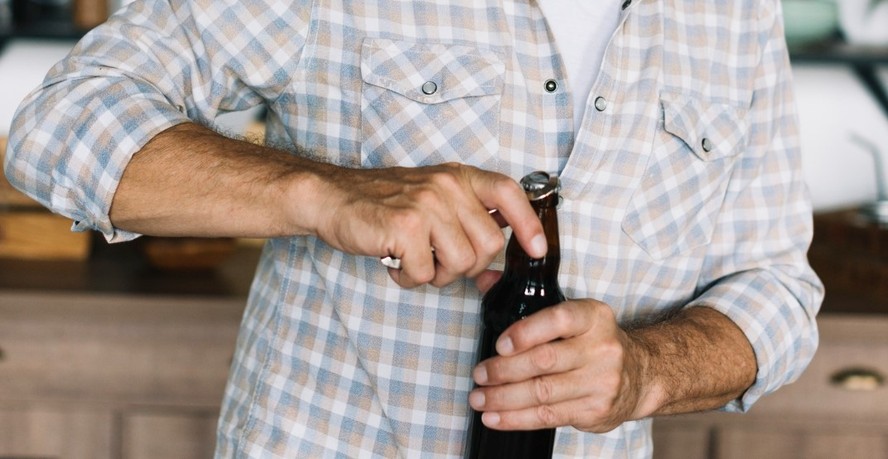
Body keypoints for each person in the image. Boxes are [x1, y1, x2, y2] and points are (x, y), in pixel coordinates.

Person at [4, 0, 823, 457]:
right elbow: (59, 124)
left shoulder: (735, 13)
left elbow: (776, 289)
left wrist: (642, 371)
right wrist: (327, 192)